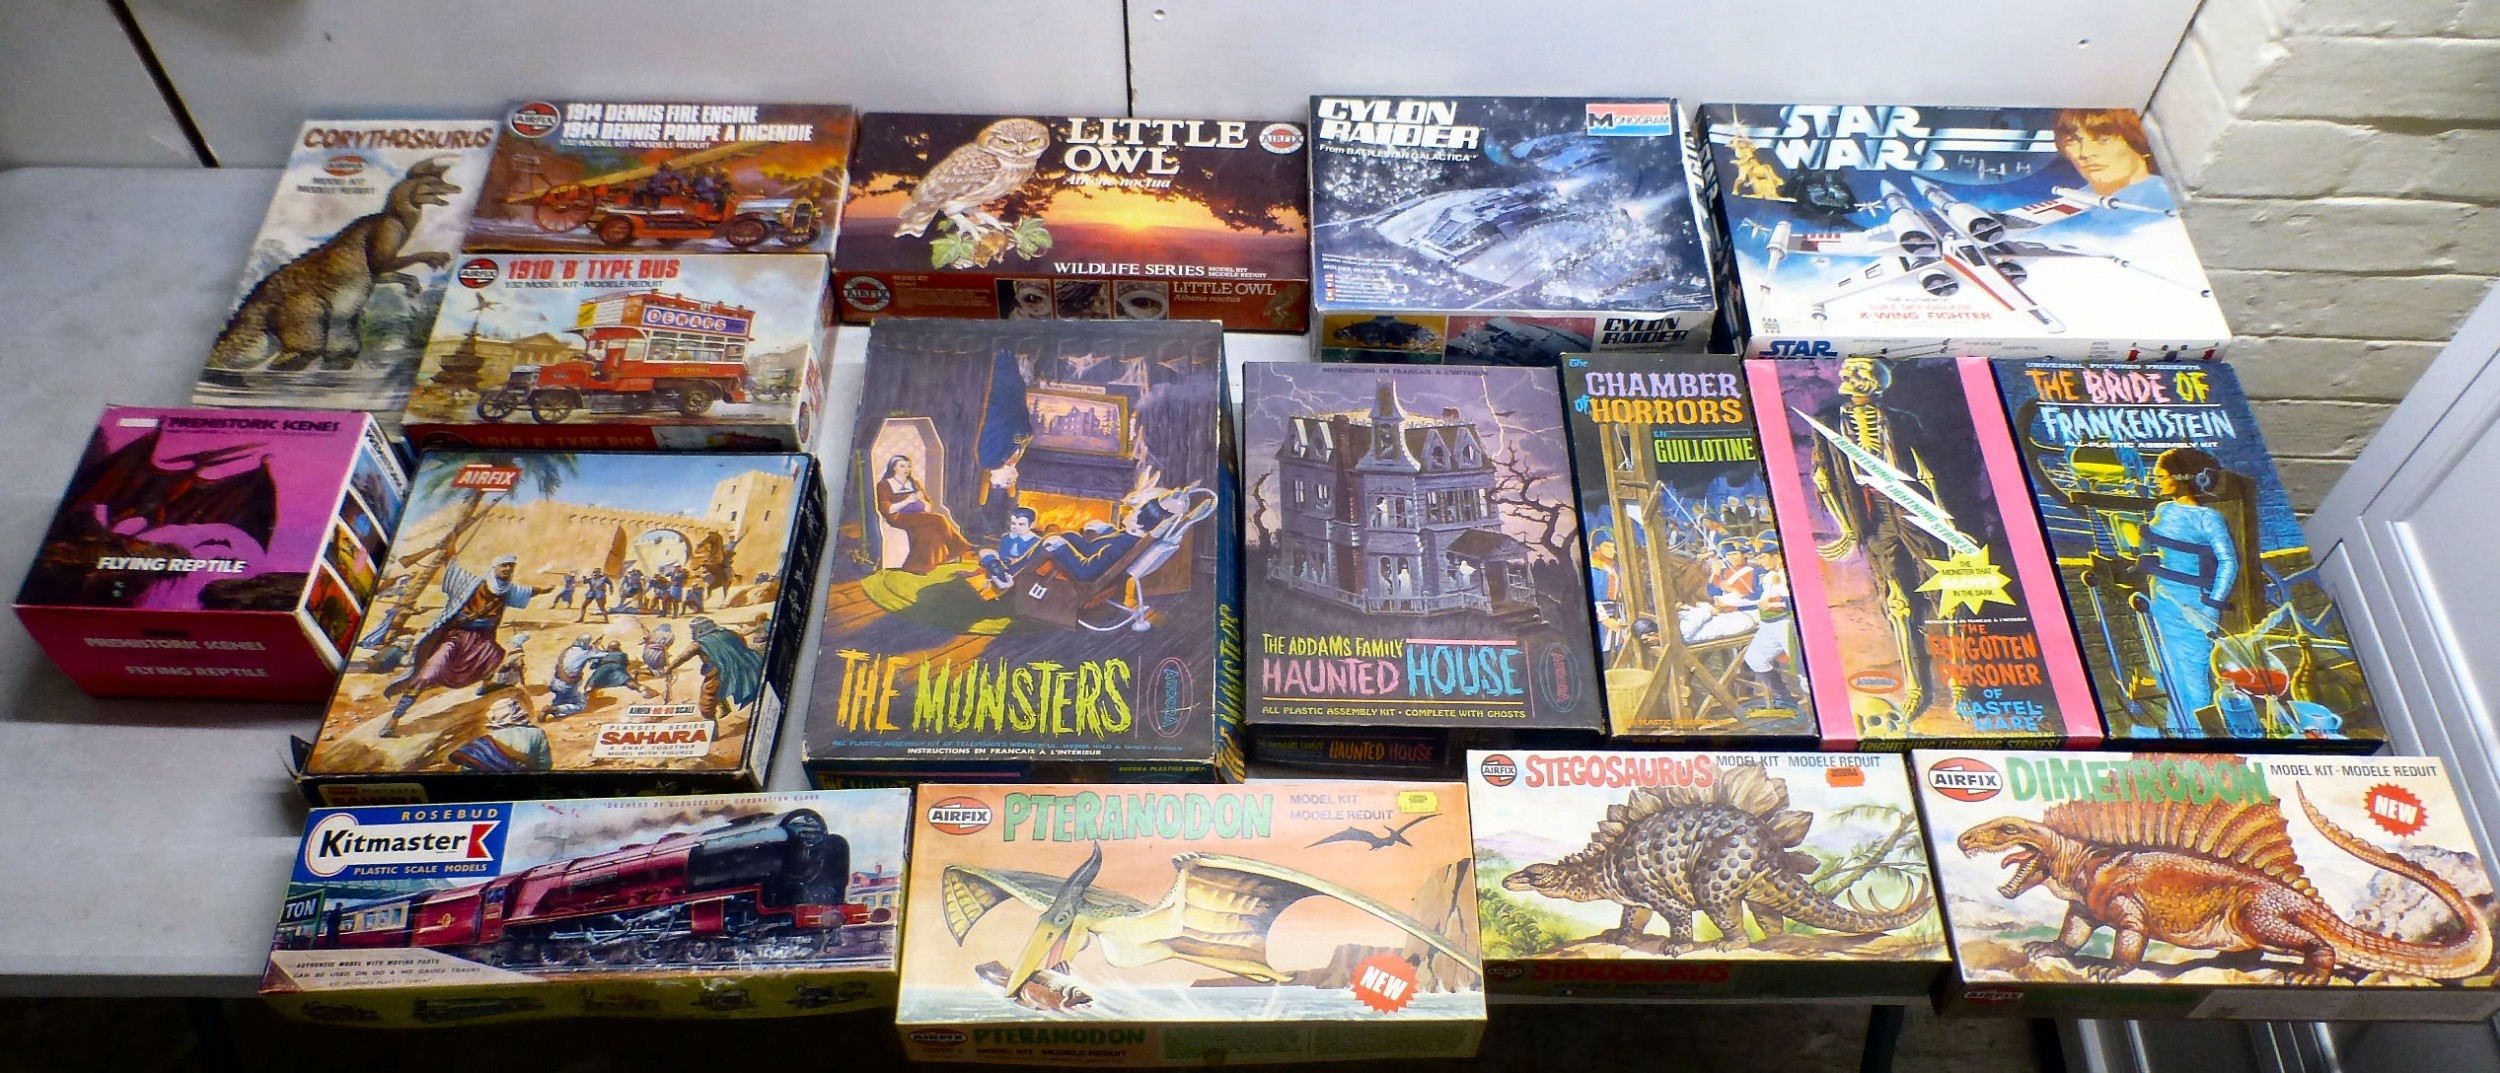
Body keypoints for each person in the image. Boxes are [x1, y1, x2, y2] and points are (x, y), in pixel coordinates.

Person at [2134, 448, 2239, 736]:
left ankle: (2199, 737)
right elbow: (2153, 549)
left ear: (2181, 478)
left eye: (2161, 476)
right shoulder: (2163, 510)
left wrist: (2212, 605)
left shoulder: (2208, 518)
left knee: (2194, 675)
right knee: (2168, 671)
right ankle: (2177, 729)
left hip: (2194, 604)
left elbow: (2228, 562)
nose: (2155, 481)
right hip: (2162, 599)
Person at [376, 556, 538, 737]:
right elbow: (452, 569)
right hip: (455, 637)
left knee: (494, 653)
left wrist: (547, 590)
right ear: (494, 567)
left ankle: (487, 684)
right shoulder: (472, 583)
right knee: (427, 674)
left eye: (511, 566)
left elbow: (529, 592)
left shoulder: (507, 590)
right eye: (504, 565)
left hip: (482, 638)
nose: (508, 569)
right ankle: (393, 720)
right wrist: (448, 549)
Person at [874, 455, 973, 573]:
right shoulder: (885, 485)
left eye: (909, 466)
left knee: (930, 532)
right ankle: (958, 546)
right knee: (940, 519)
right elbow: (887, 509)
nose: (907, 469)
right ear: (893, 468)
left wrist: (921, 501)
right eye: (902, 466)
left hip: (919, 515)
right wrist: (908, 501)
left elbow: (929, 506)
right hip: (899, 517)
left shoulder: (914, 483)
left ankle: (918, 566)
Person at [662, 617, 765, 722]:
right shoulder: (729, 633)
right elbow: (742, 642)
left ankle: (711, 726)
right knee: (720, 688)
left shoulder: (699, 644)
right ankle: (724, 706)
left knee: (707, 703)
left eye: (694, 629)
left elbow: (683, 657)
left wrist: (670, 667)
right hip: (745, 665)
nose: (693, 632)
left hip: (720, 672)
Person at [2054, 109, 2157, 197]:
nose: (2085, 153)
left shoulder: (2162, 201)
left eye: (2104, 140)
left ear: (2141, 142)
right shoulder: (2067, 205)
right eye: (2072, 141)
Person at [449, 698, 553, 773]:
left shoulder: (486, 741)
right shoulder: (537, 733)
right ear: (517, 712)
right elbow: (544, 766)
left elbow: (468, 768)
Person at [979, 507, 1047, 589]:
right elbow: (1002, 553)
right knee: (984, 552)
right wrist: (1000, 560)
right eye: (1013, 523)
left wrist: (1013, 561)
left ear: (1032, 525)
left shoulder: (1036, 542)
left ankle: (1003, 579)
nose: (1016, 527)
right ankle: (998, 574)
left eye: (1021, 524)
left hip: (1020, 568)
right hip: (1003, 565)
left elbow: (1031, 560)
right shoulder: (1007, 537)